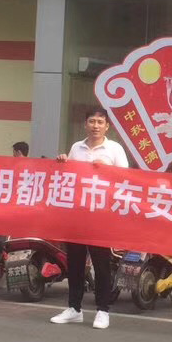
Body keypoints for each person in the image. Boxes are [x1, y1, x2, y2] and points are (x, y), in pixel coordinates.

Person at [49, 107, 128, 329]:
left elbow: (126, 179)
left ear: (107, 126)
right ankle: (74, 308)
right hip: (78, 214)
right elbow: (70, 177)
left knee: (101, 264)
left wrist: (107, 170)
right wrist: (63, 162)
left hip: (101, 215)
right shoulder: (77, 147)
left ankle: (103, 310)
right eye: (92, 121)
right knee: (75, 263)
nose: (95, 126)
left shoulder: (115, 149)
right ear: (85, 125)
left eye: (100, 122)